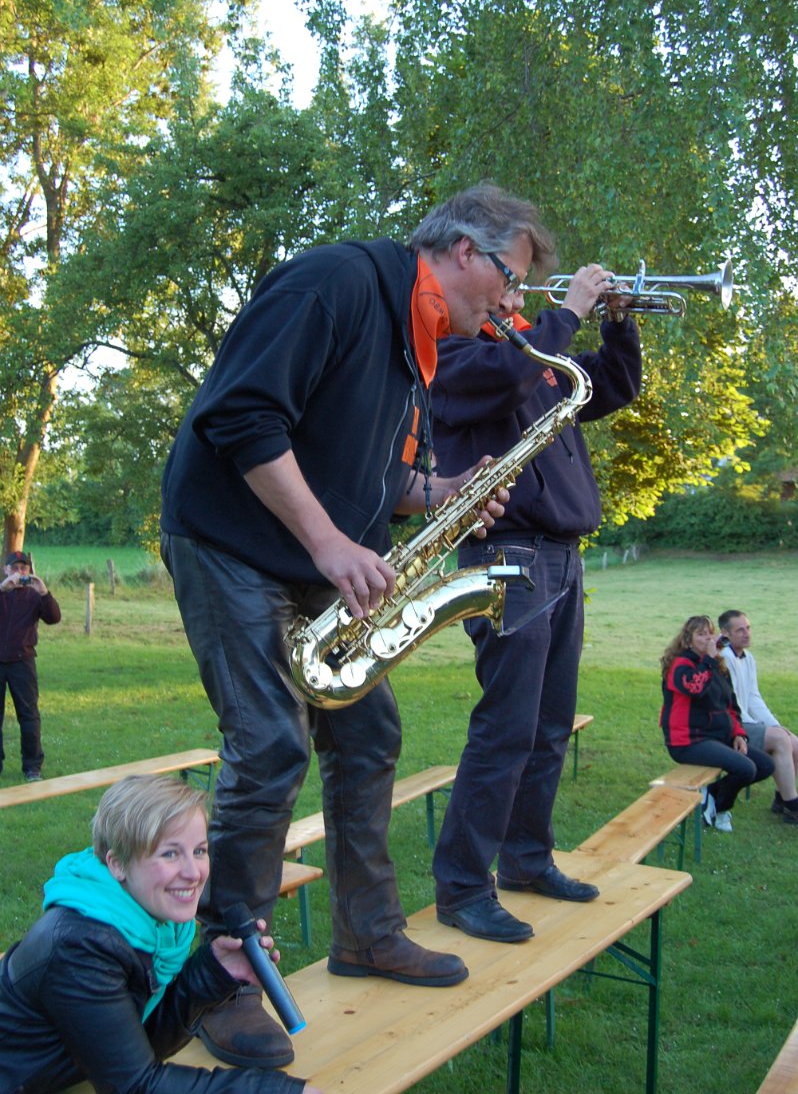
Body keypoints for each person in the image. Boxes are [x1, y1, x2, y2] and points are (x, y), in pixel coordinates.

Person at [159, 184, 542, 1069]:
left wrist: (440, 495)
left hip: (306, 559)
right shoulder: (331, 282)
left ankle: (368, 934)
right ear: (459, 250)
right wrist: (331, 542)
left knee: (369, 732)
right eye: (510, 281)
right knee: (268, 744)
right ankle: (227, 976)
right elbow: (240, 417)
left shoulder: (421, 349)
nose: (512, 305)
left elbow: (376, 478)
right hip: (228, 541)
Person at [425, 239, 642, 943]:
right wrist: (569, 311)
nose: (516, 299)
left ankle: (525, 858)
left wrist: (616, 322)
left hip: (562, 553)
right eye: (508, 287)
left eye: (521, 290)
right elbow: (503, 378)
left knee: (550, 724)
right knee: (507, 726)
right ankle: (461, 886)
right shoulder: (460, 355)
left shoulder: (532, 353)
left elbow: (611, 389)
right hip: (507, 551)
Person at [0, 774, 321, 1093]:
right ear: (118, 864)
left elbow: (141, 1044)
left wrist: (214, 973)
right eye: (169, 853)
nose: (193, 873)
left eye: (199, 851)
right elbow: (137, 1086)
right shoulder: (80, 947)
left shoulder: (152, 921)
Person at [660, 615, 774, 832]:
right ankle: (721, 810)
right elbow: (696, 688)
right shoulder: (680, 665)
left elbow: (731, 705)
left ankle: (712, 795)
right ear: (688, 639)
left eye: (710, 633)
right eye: (701, 634)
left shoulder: (717, 666)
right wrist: (710, 660)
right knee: (745, 768)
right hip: (687, 741)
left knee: (765, 765)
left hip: (717, 736)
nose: (708, 638)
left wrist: (738, 734)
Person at [718, 609, 798, 825]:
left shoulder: (748, 658)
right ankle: (793, 807)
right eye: (740, 630)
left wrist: (775, 725)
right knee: (780, 740)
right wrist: (766, 729)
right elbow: (732, 704)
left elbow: (754, 698)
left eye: (748, 628)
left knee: (793, 742)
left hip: (748, 722)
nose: (747, 633)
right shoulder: (723, 659)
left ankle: (782, 799)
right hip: (734, 726)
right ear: (725, 633)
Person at [0, 549, 61, 782]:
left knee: (28, 716)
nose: (19, 573)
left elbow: (54, 618)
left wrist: (44, 592)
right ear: (6, 570)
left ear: (29, 571)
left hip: (22, 662)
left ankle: (32, 766)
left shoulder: (35, 596)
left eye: (23, 568)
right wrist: (2, 588)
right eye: (14, 568)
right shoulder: (2, 591)